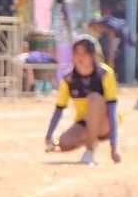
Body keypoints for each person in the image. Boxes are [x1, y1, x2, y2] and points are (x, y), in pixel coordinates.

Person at [44, 35, 122, 165]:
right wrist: (49, 135)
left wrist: (114, 148)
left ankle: (89, 152)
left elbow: (112, 111)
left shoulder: (105, 74)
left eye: (85, 53)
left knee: (94, 98)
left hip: (105, 123)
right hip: (84, 122)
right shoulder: (68, 79)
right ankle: (91, 138)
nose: (80, 57)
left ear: (93, 55)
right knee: (63, 143)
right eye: (76, 53)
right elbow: (59, 109)